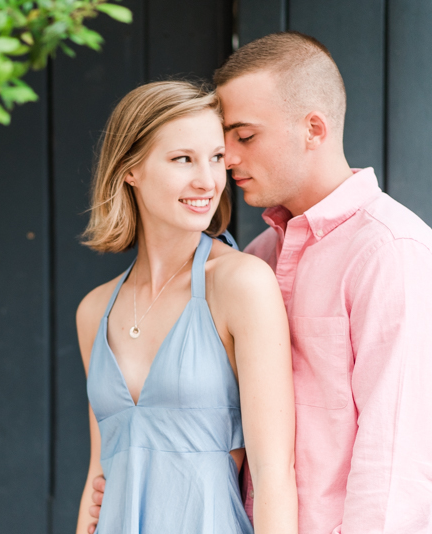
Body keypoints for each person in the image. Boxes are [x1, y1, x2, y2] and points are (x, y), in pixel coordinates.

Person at [89, 32, 432, 534]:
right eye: (224, 144)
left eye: (243, 137)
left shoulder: (390, 252)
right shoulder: (261, 254)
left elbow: (400, 465)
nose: (228, 161)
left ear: (313, 129)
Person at [74, 81, 298, 534]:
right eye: (183, 159)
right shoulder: (94, 310)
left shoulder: (241, 284)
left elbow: (275, 477)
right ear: (130, 169)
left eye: (216, 157)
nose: (208, 180)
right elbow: (99, 473)